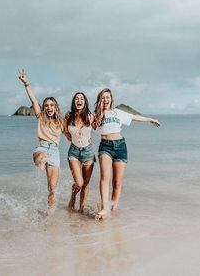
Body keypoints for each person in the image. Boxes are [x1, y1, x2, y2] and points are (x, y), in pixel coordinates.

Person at [93, 88, 160, 219]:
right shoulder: (97, 115)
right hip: (105, 147)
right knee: (105, 177)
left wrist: (149, 119)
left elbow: (134, 117)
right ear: (100, 100)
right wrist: (100, 111)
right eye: (103, 98)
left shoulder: (118, 112)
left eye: (107, 97)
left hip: (120, 146)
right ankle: (104, 208)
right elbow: (95, 127)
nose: (105, 99)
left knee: (117, 183)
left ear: (111, 99)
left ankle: (113, 209)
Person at [18, 69, 63, 212]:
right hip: (42, 147)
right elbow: (32, 99)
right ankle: (41, 163)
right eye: (47, 105)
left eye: (52, 105)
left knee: (52, 188)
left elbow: (72, 132)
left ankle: (50, 211)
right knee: (40, 157)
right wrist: (26, 84)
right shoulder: (40, 116)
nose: (49, 107)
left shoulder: (62, 121)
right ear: (44, 108)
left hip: (55, 152)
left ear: (56, 107)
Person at [64, 92, 95, 213]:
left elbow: (99, 127)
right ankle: (73, 196)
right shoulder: (68, 116)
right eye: (77, 98)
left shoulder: (90, 116)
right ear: (74, 102)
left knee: (86, 184)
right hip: (74, 152)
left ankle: (81, 209)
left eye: (81, 98)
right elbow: (66, 132)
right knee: (79, 182)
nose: (79, 100)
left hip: (88, 152)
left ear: (85, 102)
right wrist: (72, 136)